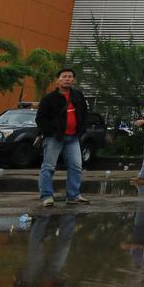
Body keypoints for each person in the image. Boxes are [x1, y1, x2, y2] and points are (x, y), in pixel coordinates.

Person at [36, 68, 91, 207]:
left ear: (73, 80)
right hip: (55, 138)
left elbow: (84, 114)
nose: (67, 79)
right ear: (58, 80)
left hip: (73, 137)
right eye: (64, 76)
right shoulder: (49, 98)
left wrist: (82, 129)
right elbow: (40, 119)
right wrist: (51, 131)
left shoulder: (78, 96)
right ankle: (47, 196)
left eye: (70, 76)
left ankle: (73, 195)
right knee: (49, 167)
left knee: (76, 166)